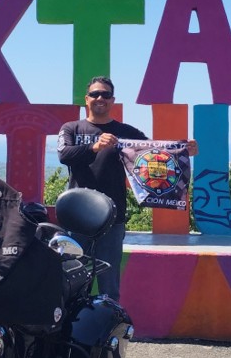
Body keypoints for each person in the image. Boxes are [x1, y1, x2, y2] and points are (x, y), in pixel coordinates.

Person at [57, 76, 197, 300]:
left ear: (113, 100)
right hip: (77, 219)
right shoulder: (71, 128)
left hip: (112, 219)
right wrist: (95, 146)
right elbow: (64, 155)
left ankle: (109, 323)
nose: (100, 98)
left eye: (105, 94)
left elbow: (156, 154)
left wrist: (184, 150)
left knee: (110, 286)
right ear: (86, 99)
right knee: (74, 284)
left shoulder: (126, 132)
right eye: (95, 94)